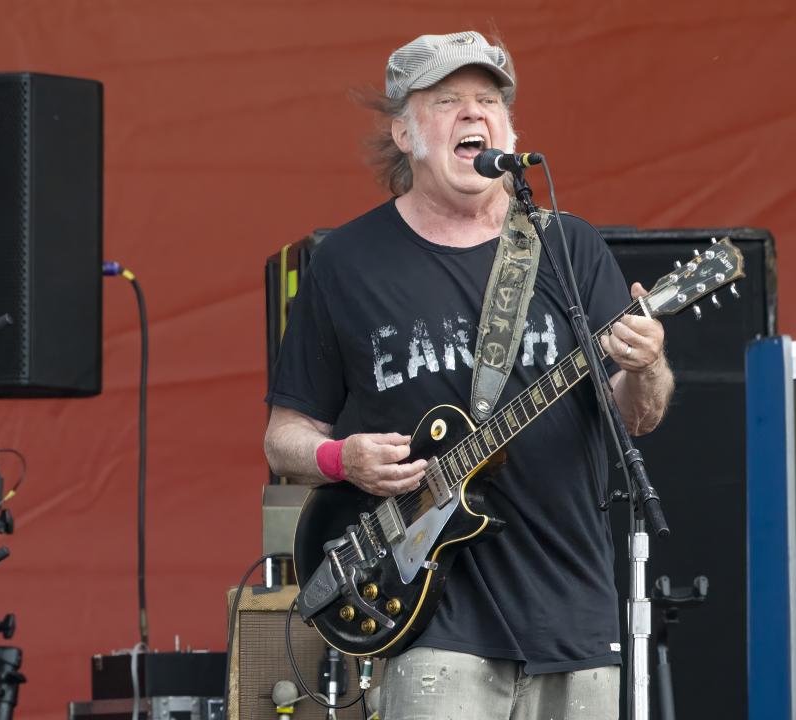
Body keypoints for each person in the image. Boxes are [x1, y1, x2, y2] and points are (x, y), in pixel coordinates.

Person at [264, 30, 674, 720]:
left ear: (509, 130)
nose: (473, 113)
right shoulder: (347, 263)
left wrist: (648, 361)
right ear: (404, 132)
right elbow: (284, 438)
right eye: (447, 100)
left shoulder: (566, 246)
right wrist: (342, 458)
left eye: (488, 100)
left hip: (574, 617)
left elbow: (637, 415)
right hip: (434, 621)